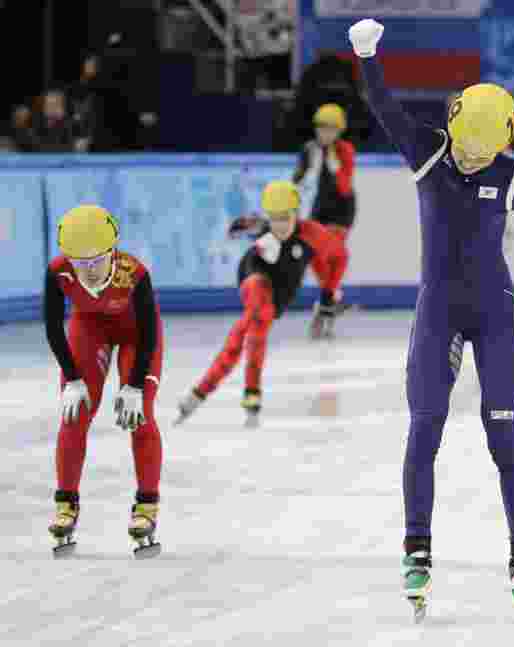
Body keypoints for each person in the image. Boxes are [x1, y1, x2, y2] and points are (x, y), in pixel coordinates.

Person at [347, 18, 514, 619]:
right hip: (438, 312)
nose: (471, 160)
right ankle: (416, 547)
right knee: (425, 430)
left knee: (504, 438)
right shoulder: (427, 151)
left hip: (495, 313)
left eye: (483, 151)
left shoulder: (510, 174)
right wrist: (366, 53)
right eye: (465, 147)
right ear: (450, 126)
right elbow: (381, 102)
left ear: (502, 143)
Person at [44, 205, 164, 558]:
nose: (88, 270)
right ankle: (65, 503)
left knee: (139, 415)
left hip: (136, 336)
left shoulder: (135, 273)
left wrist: (135, 386)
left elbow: (148, 335)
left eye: (96, 261)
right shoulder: (57, 272)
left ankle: (146, 506)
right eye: (79, 263)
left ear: (112, 252)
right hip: (89, 330)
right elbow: (53, 328)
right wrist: (73, 378)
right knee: (74, 414)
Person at [175, 180, 345, 427]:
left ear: (296, 214)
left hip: (281, 292)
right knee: (258, 316)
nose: (280, 225)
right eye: (274, 219)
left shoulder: (312, 233)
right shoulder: (263, 230)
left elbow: (340, 257)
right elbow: (235, 230)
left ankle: (199, 392)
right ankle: (251, 393)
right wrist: (244, 228)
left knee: (246, 331)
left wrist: (328, 294)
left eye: (285, 218)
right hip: (254, 274)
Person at [293, 103, 357, 335]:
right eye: (321, 127)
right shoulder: (309, 149)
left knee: (336, 255)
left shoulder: (345, 150)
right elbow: (296, 182)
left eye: (330, 128)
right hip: (320, 209)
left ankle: (327, 301)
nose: (325, 133)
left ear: (339, 130)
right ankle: (331, 299)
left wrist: (333, 164)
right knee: (314, 254)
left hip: (342, 209)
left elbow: (344, 186)